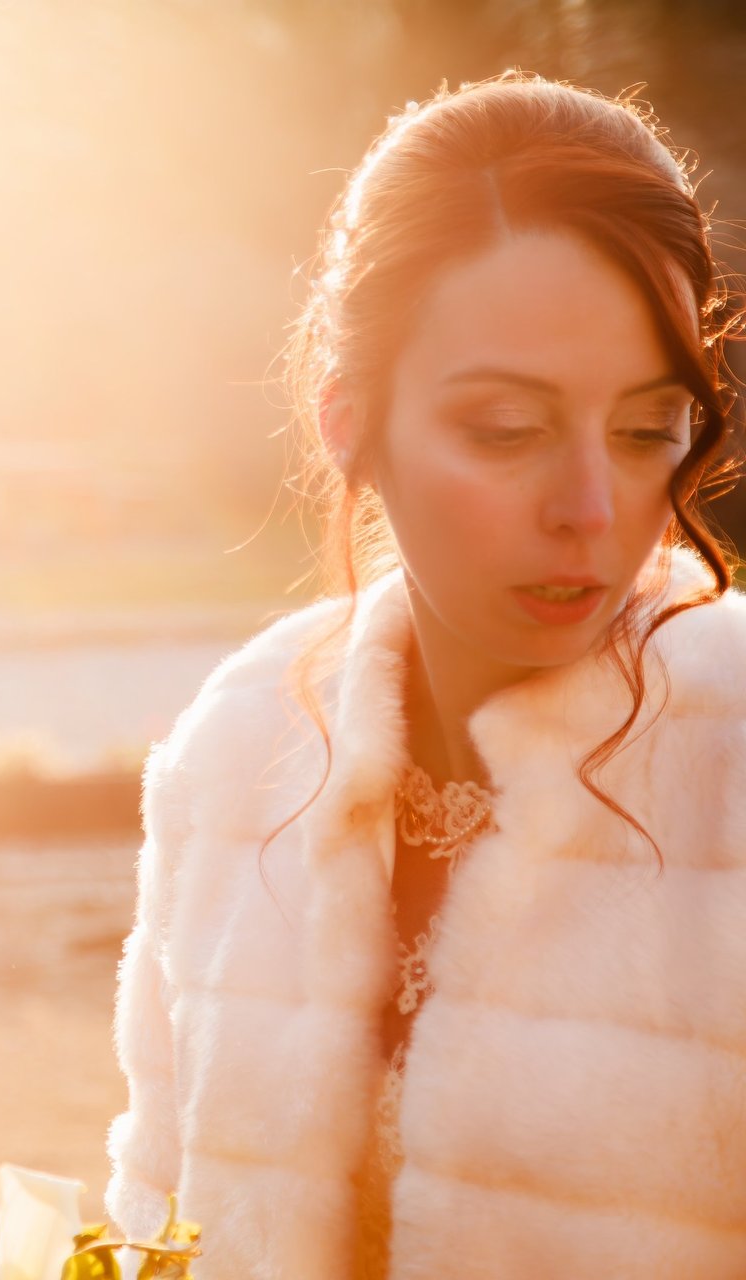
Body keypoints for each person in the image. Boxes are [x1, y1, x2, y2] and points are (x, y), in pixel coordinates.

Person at [103, 72, 746, 1278]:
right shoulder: (233, 751)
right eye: (508, 428)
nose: (593, 510)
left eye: (649, 425)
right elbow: (149, 1219)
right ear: (349, 416)